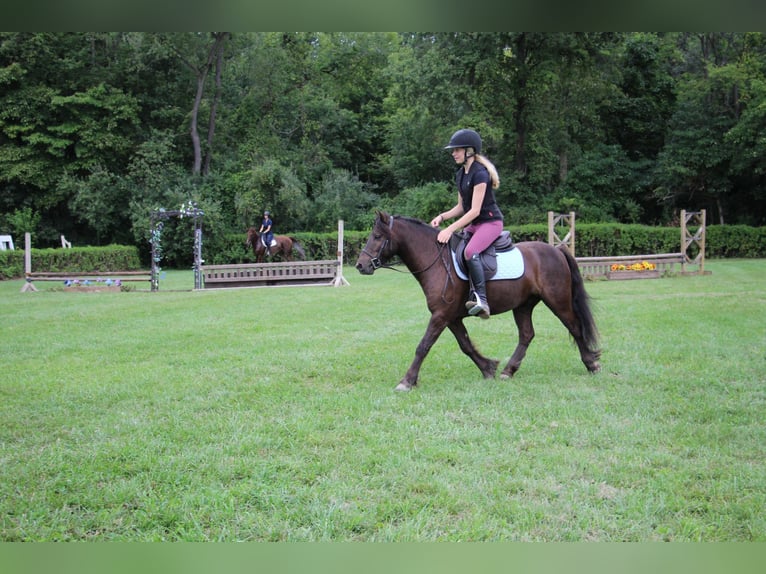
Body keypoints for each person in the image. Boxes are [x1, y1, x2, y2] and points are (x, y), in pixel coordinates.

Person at [430, 129, 504, 319]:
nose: (453, 153)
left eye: (457, 150)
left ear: (469, 151)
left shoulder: (480, 174)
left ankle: (482, 300)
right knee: (455, 249)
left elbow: (474, 211)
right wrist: (442, 217)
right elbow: (462, 207)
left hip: (490, 223)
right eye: (453, 151)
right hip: (474, 225)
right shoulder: (460, 174)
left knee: (471, 252)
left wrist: (449, 229)